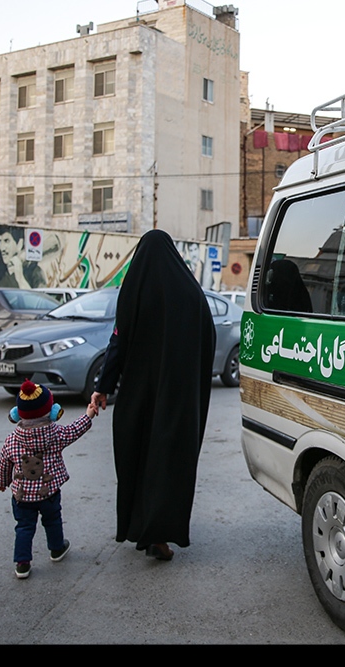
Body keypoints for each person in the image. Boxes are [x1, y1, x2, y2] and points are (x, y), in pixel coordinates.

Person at [90, 230, 216, 561]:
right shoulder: (191, 294)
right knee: (167, 463)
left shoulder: (134, 290)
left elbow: (118, 341)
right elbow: (207, 341)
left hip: (136, 399)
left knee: (138, 460)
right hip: (176, 400)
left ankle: (138, 528)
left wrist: (102, 387)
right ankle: (158, 535)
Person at [0, 379, 98, 579]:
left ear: (16, 413)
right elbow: (74, 430)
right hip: (49, 493)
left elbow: (3, 464)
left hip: (22, 496)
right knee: (53, 520)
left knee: (24, 527)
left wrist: (2, 482)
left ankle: (22, 563)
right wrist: (88, 415)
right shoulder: (56, 434)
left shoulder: (12, 440)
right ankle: (57, 549)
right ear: (53, 412)